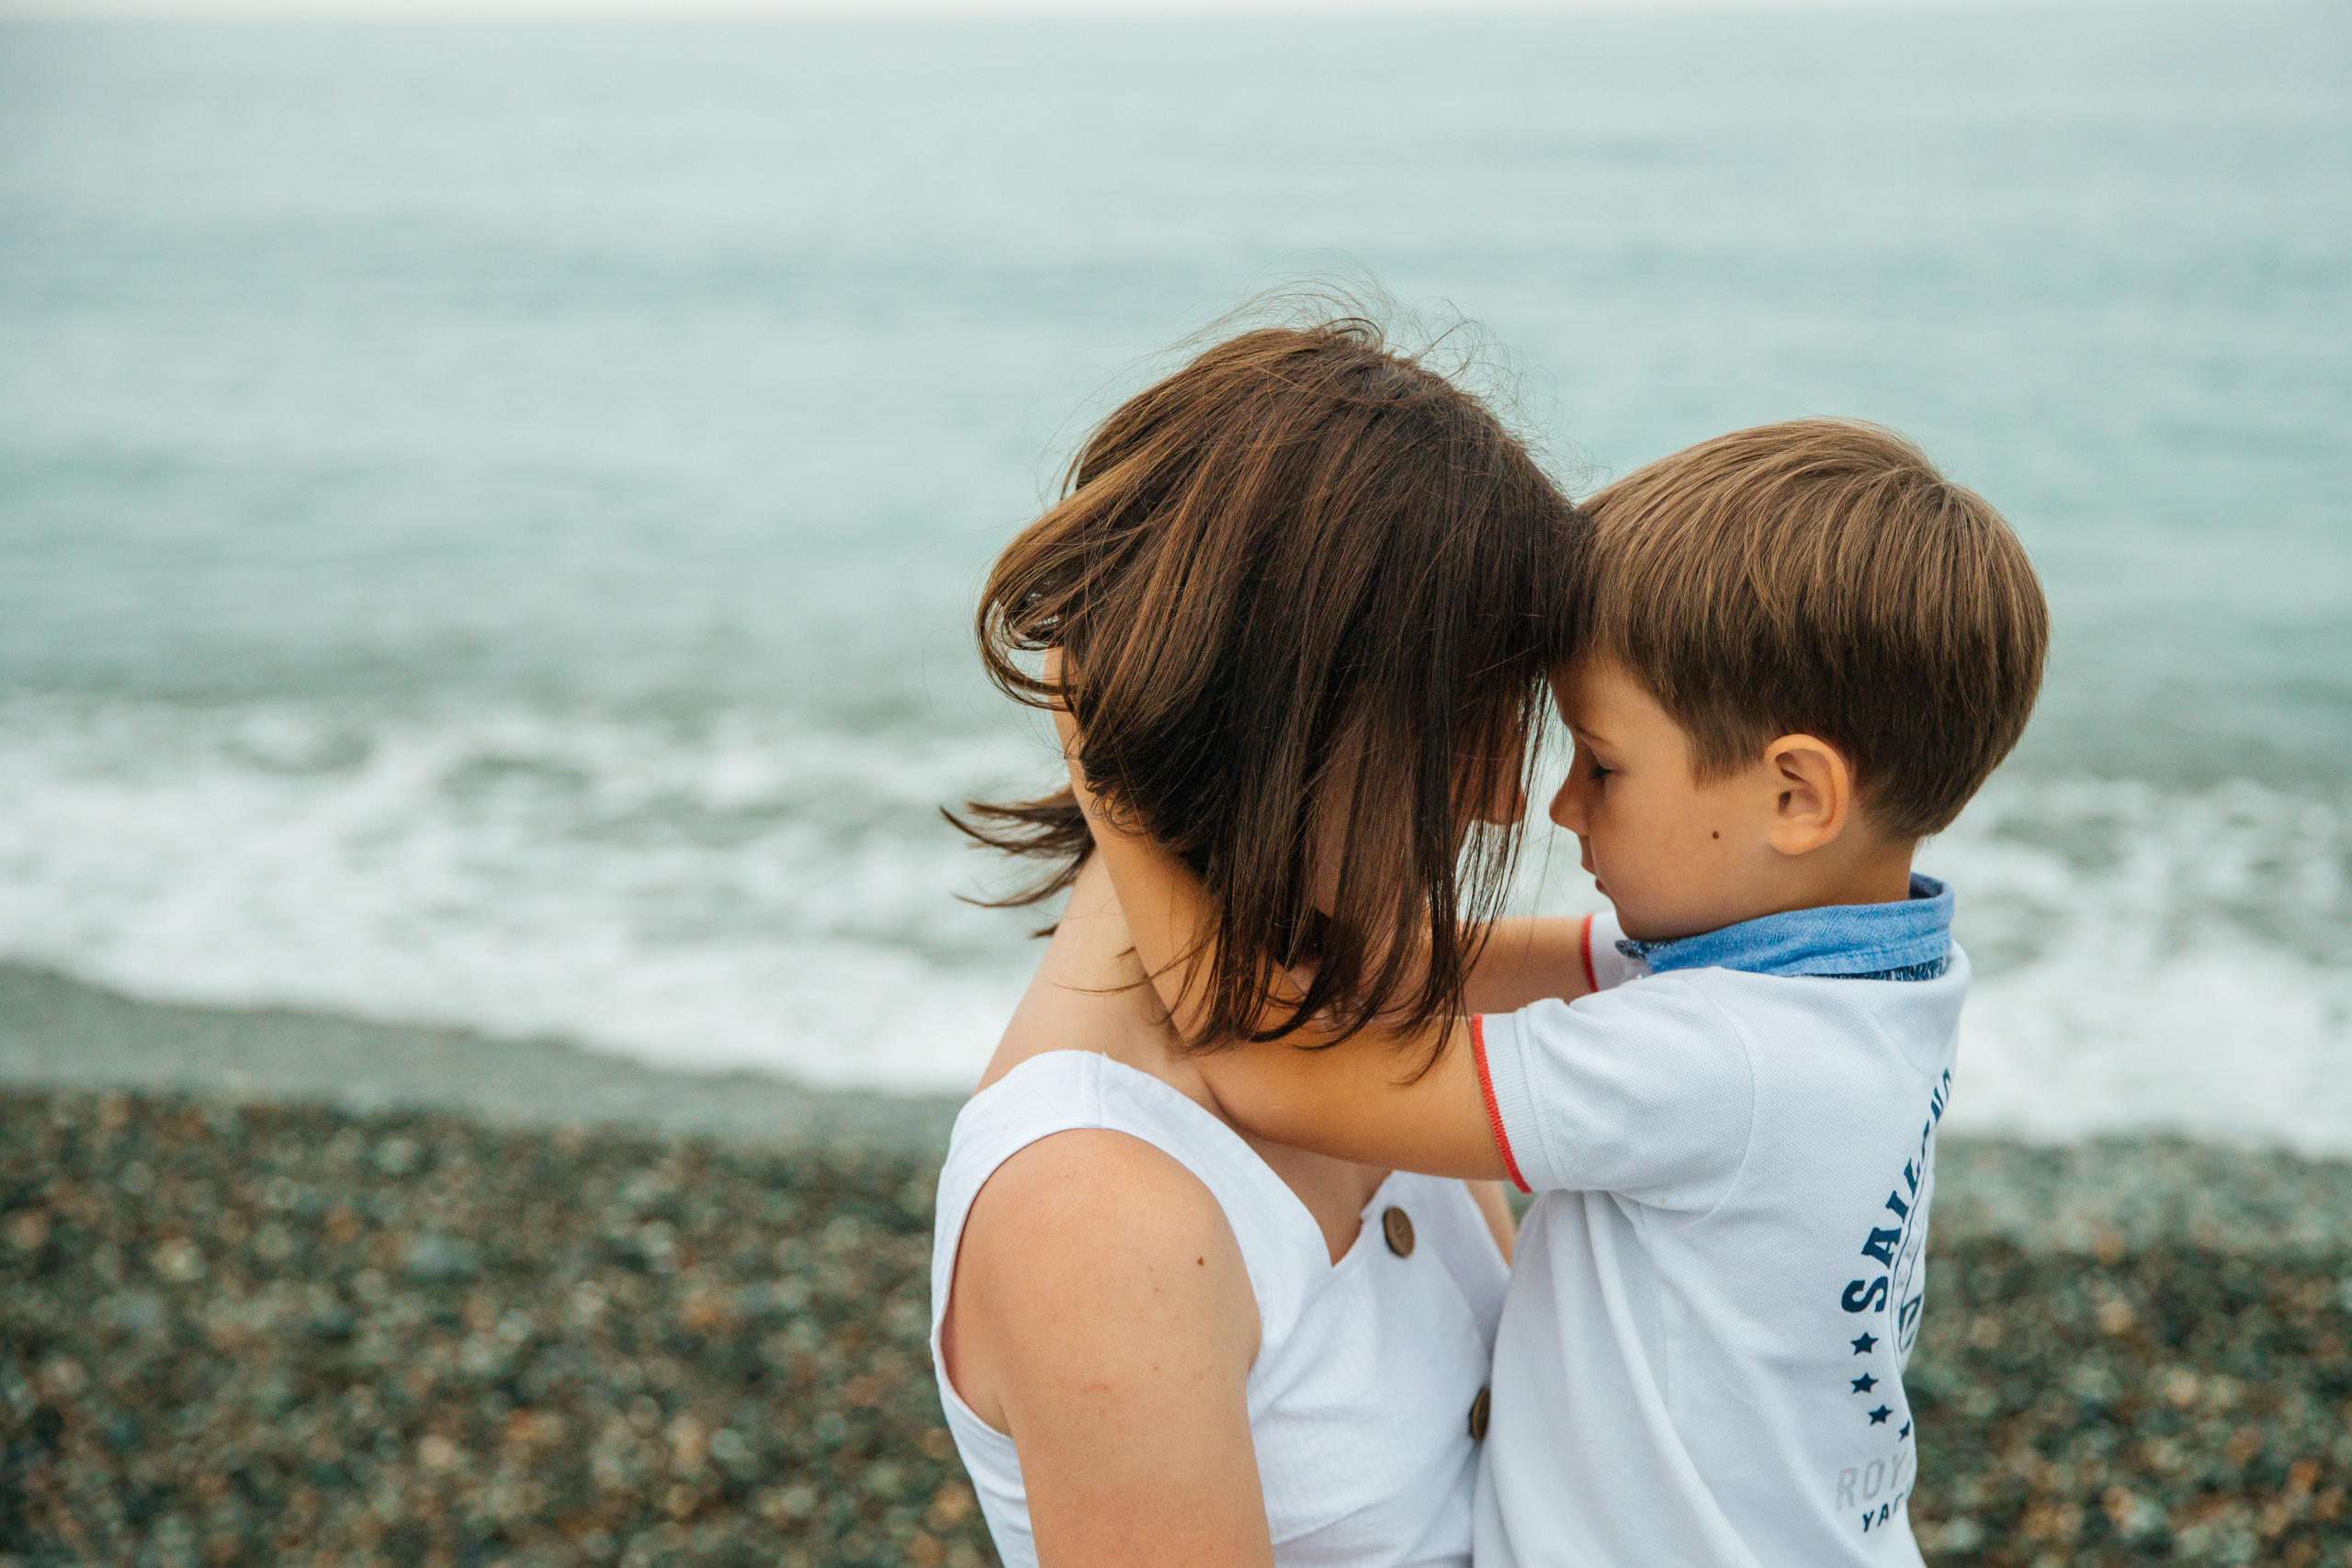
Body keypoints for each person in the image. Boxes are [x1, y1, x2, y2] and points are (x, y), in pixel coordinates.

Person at [1069, 419, 2050, 1565]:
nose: (1560, 806)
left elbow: (1273, 1067)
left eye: (1604, 764)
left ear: (1795, 797)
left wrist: (1111, 779)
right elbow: (1427, 966)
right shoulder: (1868, 975)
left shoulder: (1717, 1062)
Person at [930, 316, 1587, 1567]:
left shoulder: (1355, 1017)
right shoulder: (1097, 1207)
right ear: (1282, 703)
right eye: (1463, 723)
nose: (1508, 797)